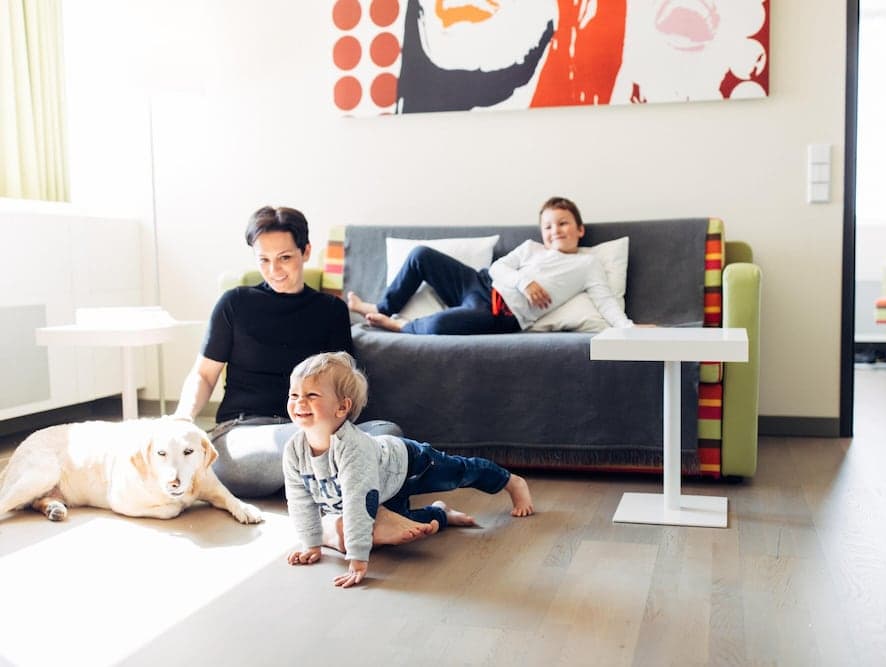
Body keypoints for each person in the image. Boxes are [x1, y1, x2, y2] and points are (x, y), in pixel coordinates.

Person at [171, 205, 417, 532]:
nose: (274, 270)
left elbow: (343, 385)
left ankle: (334, 515)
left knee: (389, 434)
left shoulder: (331, 311)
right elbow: (204, 375)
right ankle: (358, 511)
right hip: (245, 438)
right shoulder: (234, 304)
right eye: (263, 260)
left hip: (314, 432)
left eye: (284, 258)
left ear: (306, 251)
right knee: (323, 448)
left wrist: (331, 428)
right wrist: (182, 417)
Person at [284, 351, 534, 588]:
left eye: (311, 395)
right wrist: (311, 545)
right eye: (294, 395)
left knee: (459, 473)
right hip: (383, 490)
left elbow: (358, 502)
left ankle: (510, 481)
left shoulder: (352, 449)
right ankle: (441, 513)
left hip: (410, 463)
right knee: (397, 530)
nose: (299, 402)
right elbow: (299, 500)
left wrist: (358, 559)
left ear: (342, 407)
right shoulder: (294, 451)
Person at [347, 196, 633, 335]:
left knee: (438, 326)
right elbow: (498, 269)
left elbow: (605, 301)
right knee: (420, 255)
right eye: (548, 226)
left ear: (580, 229)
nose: (555, 230)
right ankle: (382, 307)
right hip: (480, 283)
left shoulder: (587, 264)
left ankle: (400, 326)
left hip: (499, 313)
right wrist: (525, 282)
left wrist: (628, 327)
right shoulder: (530, 248)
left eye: (563, 223)